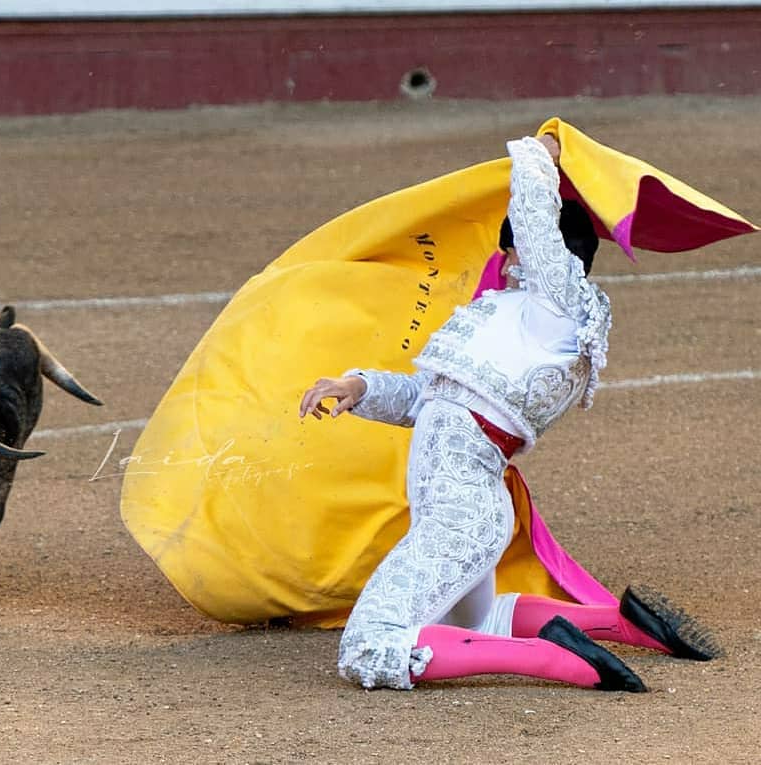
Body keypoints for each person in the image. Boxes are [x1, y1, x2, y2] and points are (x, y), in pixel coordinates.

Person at [299, 133, 718, 692]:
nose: (508, 256)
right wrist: (362, 387)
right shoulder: (510, 315)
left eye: (513, 247)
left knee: (373, 643)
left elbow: (537, 225)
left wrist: (538, 157)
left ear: (533, 253)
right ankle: (618, 624)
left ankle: (564, 661)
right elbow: (431, 398)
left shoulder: (560, 307)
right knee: (475, 622)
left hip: (461, 508)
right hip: (459, 502)